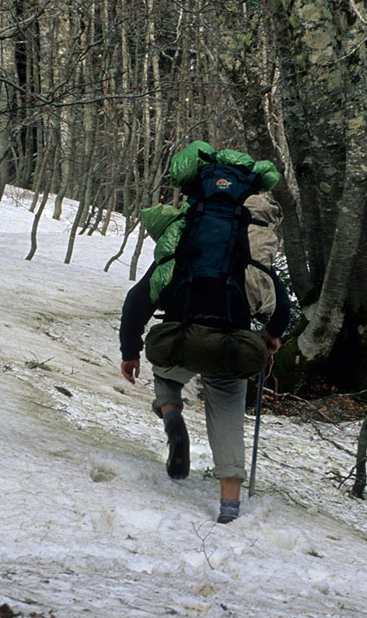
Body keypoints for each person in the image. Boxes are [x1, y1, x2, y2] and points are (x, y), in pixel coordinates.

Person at [117, 194, 291, 524]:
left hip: (181, 340)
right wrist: (270, 337)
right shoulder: (252, 257)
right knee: (228, 418)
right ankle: (229, 507)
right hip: (231, 345)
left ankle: (172, 418)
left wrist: (130, 353)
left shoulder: (186, 251)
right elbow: (280, 307)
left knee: (167, 376)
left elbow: (136, 301)